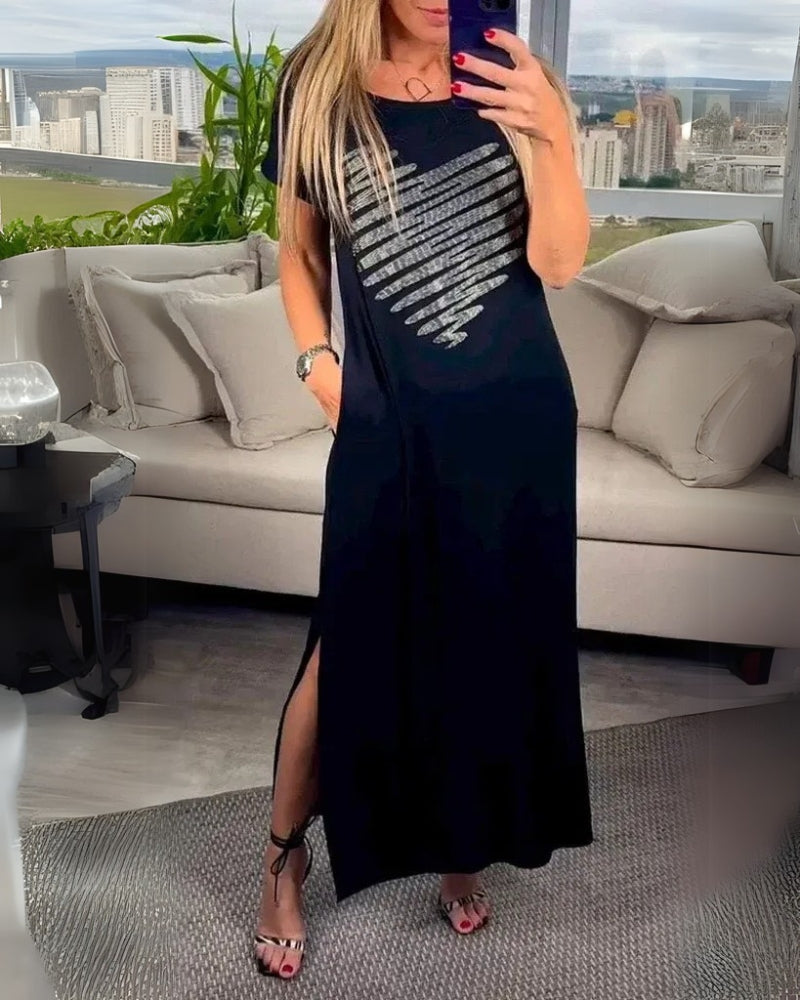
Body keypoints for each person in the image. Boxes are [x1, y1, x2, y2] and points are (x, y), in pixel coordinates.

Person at [254, 0, 594, 980]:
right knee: (347, 641)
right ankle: (281, 858)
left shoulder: (511, 75)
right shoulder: (316, 81)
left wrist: (549, 130)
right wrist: (319, 365)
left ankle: (460, 848)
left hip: (516, 423)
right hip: (387, 423)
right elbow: (298, 250)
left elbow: (558, 262)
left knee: (485, 639)